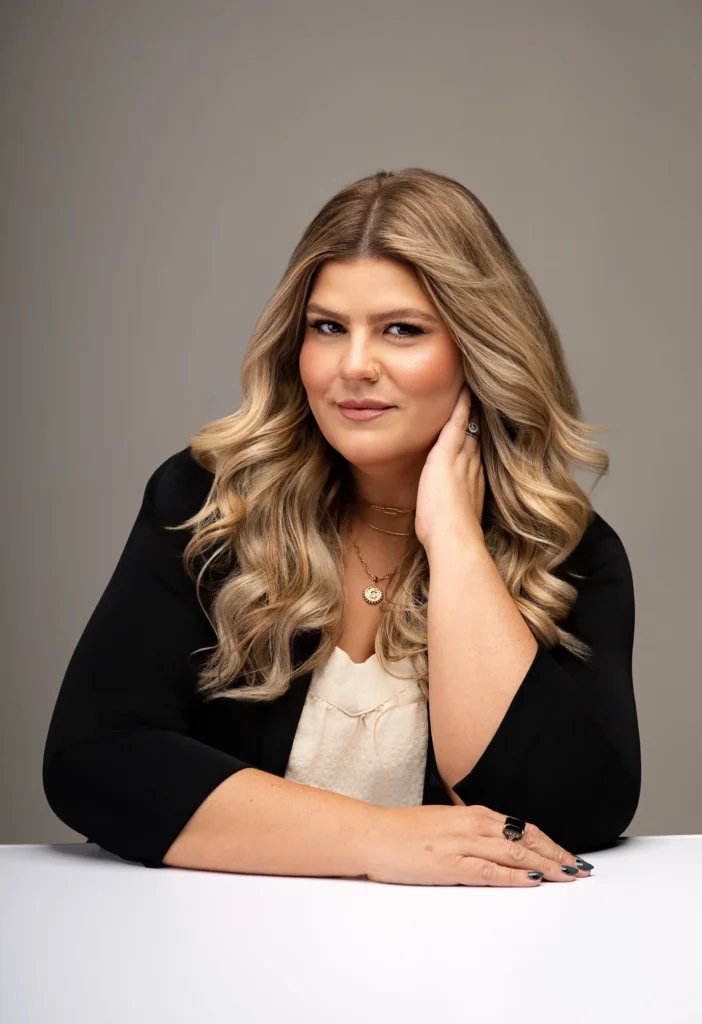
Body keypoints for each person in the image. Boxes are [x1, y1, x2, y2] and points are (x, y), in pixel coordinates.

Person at [43, 167, 640, 886]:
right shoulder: (209, 502)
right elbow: (94, 758)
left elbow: (573, 812)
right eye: (327, 328)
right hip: (222, 942)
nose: (354, 366)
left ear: (480, 349)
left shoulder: (569, 553)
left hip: (462, 952)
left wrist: (454, 541)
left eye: (402, 330)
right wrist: (378, 841)